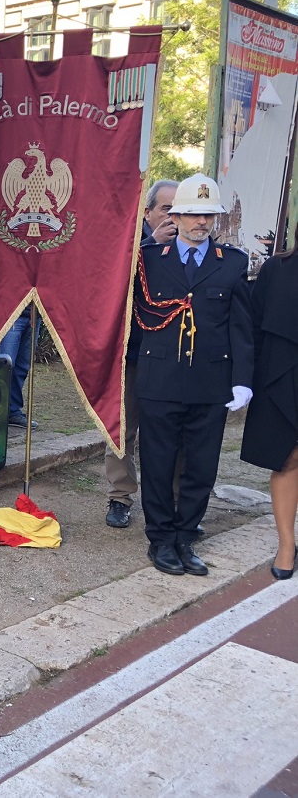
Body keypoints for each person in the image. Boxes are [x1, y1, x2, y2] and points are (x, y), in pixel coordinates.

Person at [133, 173, 252, 577]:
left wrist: (242, 379)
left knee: (201, 466)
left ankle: (185, 537)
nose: (202, 222)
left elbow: (241, 327)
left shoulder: (231, 263)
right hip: (160, 379)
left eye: (209, 215)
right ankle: (160, 539)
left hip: (210, 381)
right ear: (177, 216)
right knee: (158, 463)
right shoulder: (149, 259)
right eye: (194, 214)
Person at [104, 179, 179, 528]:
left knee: (172, 431)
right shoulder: (129, 243)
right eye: (167, 209)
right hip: (133, 353)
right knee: (123, 428)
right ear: (147, 212)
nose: (174, 217)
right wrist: (150, 246)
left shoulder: (190, 248)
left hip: (174, 355)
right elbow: (111, 284)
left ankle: (173, 499)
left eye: (180, 210)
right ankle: (120, 497)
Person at [240, 245, 298, 579]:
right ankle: (287, 545)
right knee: (288, 457)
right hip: (282, 375)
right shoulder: (277, 268)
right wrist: (250, 380)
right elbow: (254, 325)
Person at [0, 306, 41, 430]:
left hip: (35, 316)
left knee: (22, 367)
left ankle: (12, 411)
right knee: (5, 366)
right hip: (13, 313)